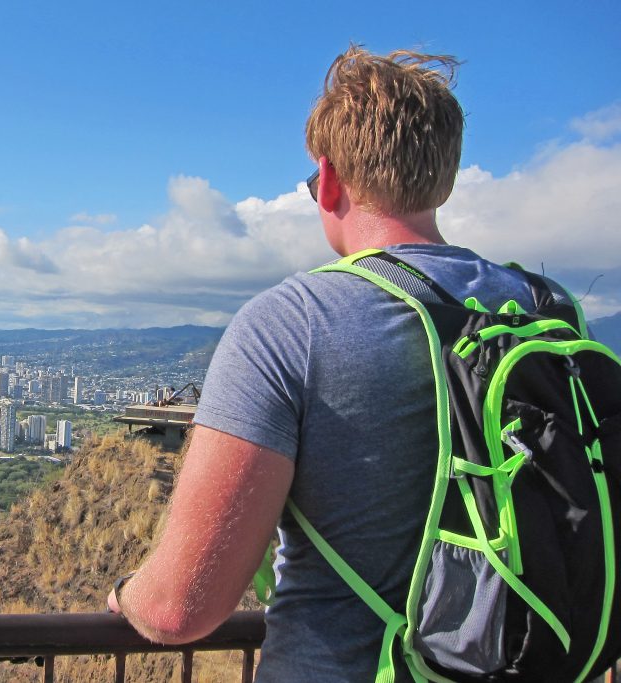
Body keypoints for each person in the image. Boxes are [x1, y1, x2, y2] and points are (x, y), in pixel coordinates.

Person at [106, 46, 567, 681]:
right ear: (446, 177)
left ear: (327, 179)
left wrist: (127, 594)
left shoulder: (294, 322)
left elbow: (178, 609)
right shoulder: (546, 306)